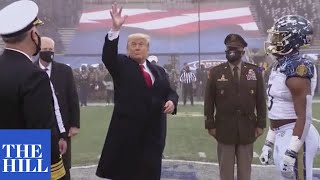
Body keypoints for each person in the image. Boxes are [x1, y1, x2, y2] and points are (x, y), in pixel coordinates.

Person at [96, 3, 179, 180]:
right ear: (127, 49)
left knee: (150, 173)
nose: (137, 47)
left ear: (148, 49)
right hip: (128, 134)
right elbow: (108, 56)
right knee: (127, 174)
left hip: (154, 134)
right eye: (133, 44)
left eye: (141, 44)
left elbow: (170, 92)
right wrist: (115, 29)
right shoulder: (121, 65)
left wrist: (172, 101)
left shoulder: (158, 71)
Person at [0, 1, 65, 179]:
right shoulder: (33, 76)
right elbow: (40, 130)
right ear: (33, 34)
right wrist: (56, 172)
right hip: (19, 158)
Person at [259, 15, 319, 180]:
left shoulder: (298, 68)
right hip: (282, 134)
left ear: (291, 39)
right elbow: (278, 110)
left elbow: (304, 117)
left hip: (296, 136)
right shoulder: (280, 65)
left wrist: (293, 149)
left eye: (278, 36)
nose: (272, 40)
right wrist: (269, 143)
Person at [204, 34, 267, 180]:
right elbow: (209, 101)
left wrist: (261, 124)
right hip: (224, 129)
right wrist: (210, 124)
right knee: (225, 173)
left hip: (247, 128)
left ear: (243, 51)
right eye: (228, 48)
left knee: (245, 174)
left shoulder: (255, 71)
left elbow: (260, 100)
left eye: (235, 48)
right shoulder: (215, 72)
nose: (231, 51)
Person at [35, 37, 80, 180]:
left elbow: (72, 97)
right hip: (39, 126)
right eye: (45, 50)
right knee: (39, 165)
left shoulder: (64, 70)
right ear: (38, 50)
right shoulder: (30, 70)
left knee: (64, 165)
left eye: (50, 50)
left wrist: (74, 124)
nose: (48, 52)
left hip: (62, 127)